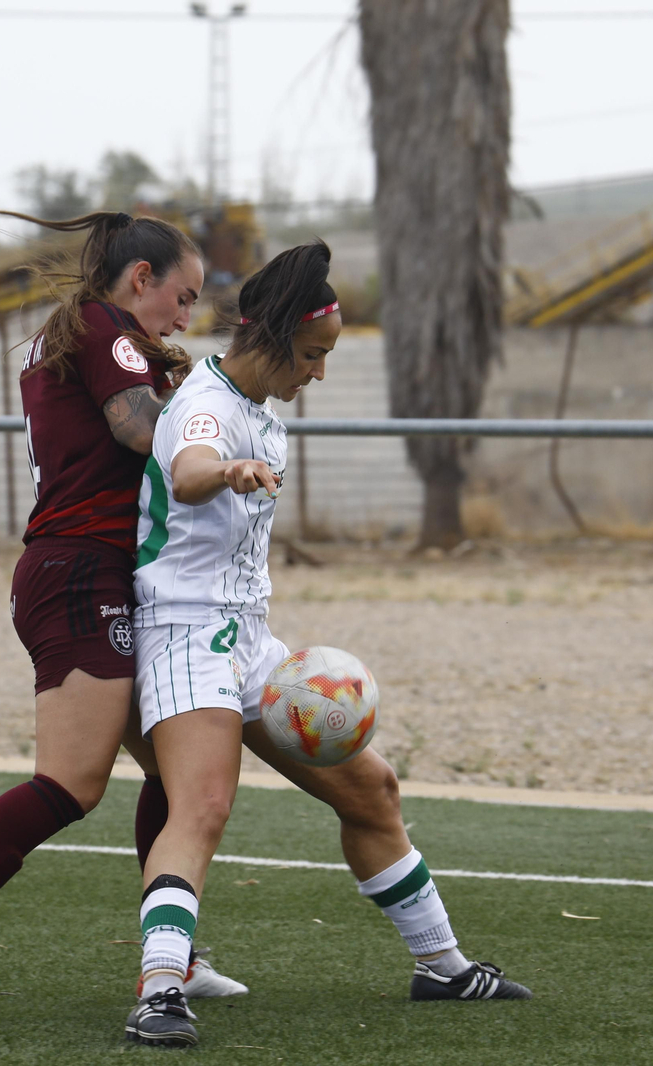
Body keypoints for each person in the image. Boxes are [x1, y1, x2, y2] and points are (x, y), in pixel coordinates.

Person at [123, 241, 531, 1048]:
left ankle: (442, 966)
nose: (318, 372)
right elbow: (194, 469)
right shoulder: (204, 407)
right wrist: (227, 472)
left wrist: (246, 467)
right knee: (202, 806)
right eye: (312, 354)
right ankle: (160, 990)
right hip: (182, 636)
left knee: (372, 789)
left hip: (248, 640)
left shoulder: (265, 418)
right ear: (272, 337)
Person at [0, 207, 247, 1031]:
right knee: (71, 782)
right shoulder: (106, 329)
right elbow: (137, 429)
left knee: (172, 771)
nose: (185, 318)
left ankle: (173, 952)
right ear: (139, 279)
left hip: (85, 569)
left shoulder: (78, 332)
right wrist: (213, 434)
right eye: (182, 298)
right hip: (79, 572)